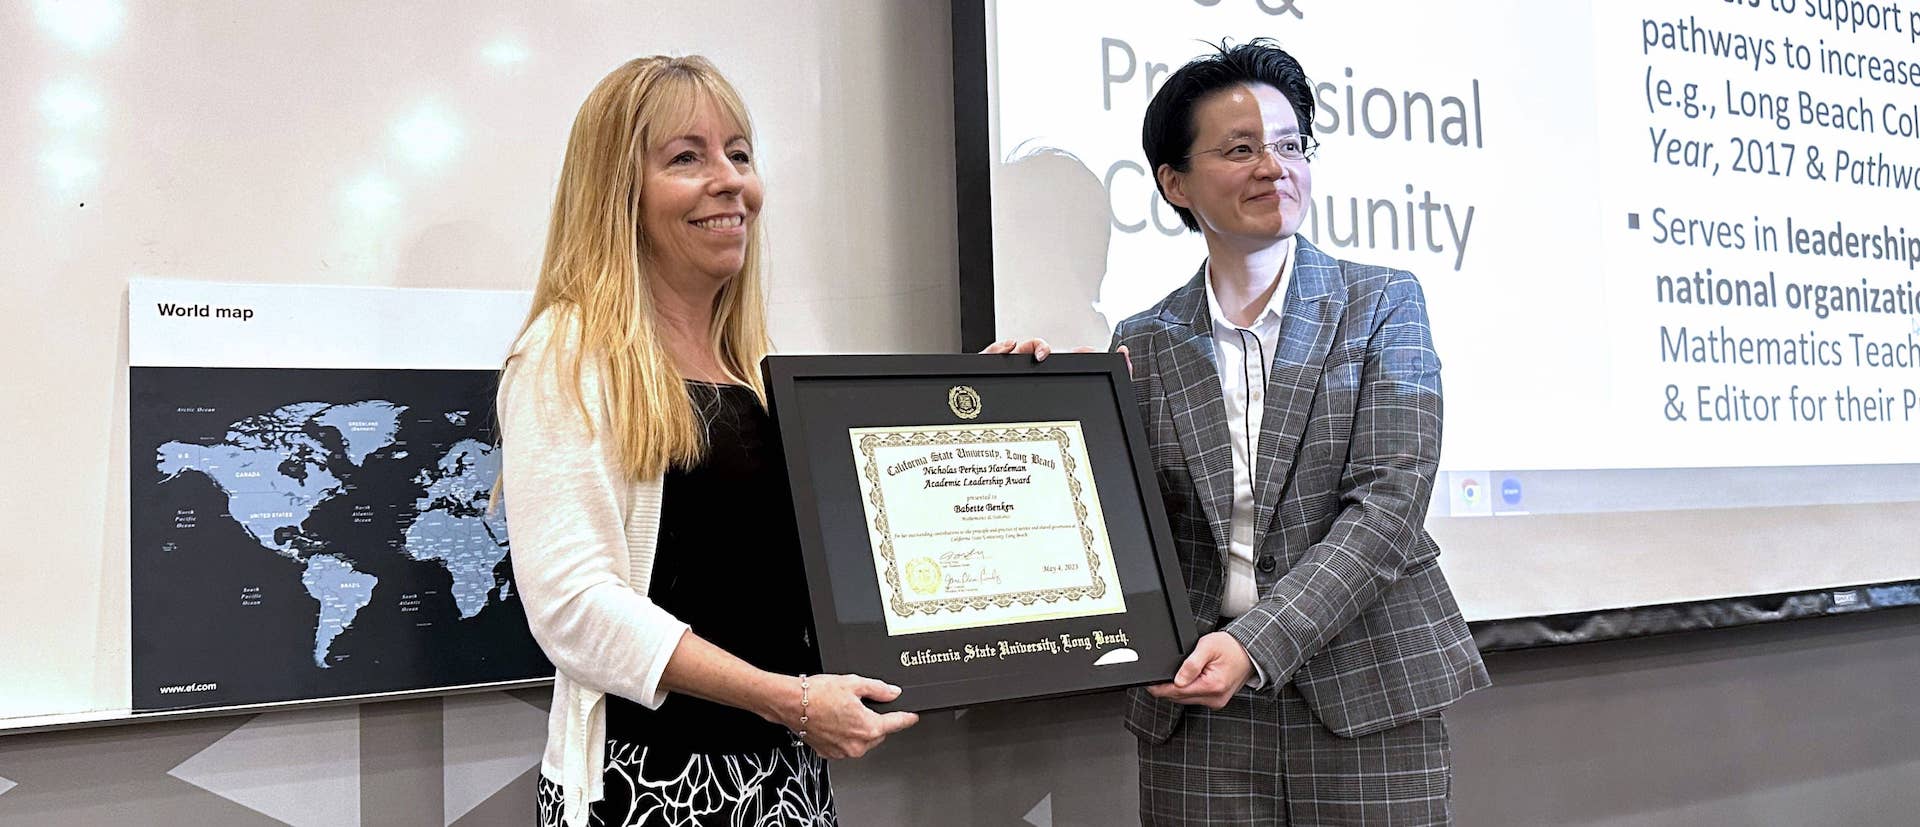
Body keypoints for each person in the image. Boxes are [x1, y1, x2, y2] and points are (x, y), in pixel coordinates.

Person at [497, 55, 917, 827]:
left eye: (740, 154)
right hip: (644, 787)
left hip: (781, 774)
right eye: (686, 157)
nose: (730, 181)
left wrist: (989, 408)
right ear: (618, 191)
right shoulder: (567, 352)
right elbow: (574, 607)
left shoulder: (757, 368)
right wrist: (786, 698)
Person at [1113, 40, 1489, 824]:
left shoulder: (1384, 301)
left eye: (1290, 145)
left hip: (1363, 698)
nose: (1274, 167)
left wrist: (1257, 642)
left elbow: (1388, 508)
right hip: (1197, 715)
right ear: (1173, 182)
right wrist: (1027, 395)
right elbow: (1118, 521)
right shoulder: (1141, 342)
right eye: (1241, 148)